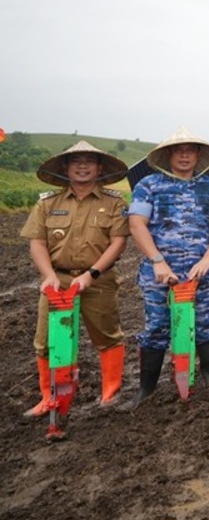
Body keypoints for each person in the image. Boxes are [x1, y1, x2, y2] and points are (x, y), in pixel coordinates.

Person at [21, 141, 130, 416]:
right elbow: (37, 243)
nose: (82, 166)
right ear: (66, 168)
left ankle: (110, 392)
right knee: (46, 341)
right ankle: (49, 398)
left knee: (107, 335)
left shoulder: (114, 203)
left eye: (89, 161)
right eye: (76, 161)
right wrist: (48, 276)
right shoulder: (48, 203)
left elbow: (118, 242)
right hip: (57, 280)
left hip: (98, 279)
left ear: (99, 168)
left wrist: (91, 275)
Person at [128, 127, 209, 405]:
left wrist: (208, 257)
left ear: (198, 155)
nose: (185, 155)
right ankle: (146, 389)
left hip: (199, 271)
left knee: (203, 322)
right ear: (168, 154)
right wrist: (158, 261)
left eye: (190, 150)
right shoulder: (149, 185)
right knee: (157, 326)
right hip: (159, 273)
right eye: (178, 150)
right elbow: (137, 224)